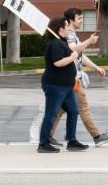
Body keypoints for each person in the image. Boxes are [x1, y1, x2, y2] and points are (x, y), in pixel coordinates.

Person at [49, 8, 108, 147]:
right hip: (73, 79)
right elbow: (74, 49)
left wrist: (96, 67)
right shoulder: (69, 35)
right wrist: (89, 41)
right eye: (79, 18)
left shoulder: (72, 34)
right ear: (70, 20)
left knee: (61, 109)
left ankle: (47, 135)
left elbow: (80, 56)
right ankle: (96, 136)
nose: (81, 20)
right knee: (83, 108)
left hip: (71, 79)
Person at [37, 16, 89, 153]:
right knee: (51, 113)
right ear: (61, 29)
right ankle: (43, 143)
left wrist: (72, 54)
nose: (68, 28)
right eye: (67, 26)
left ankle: (71, 141)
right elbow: (57, 62)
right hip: (55, 85)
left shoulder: (62, 42)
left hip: (67, 86)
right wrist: (72, 57)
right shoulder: (54, 44)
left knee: (73, 110)